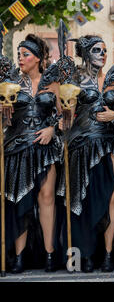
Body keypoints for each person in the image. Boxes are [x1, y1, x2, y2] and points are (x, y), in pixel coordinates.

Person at [57, 35, 114, 272]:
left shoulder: (113, 79)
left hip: (109, 143)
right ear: (86, 53)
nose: (103, 54)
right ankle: (84, 255)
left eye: (105, 50)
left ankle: (107, 255)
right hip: (81, 144)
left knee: (111, 196)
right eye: (98, 50)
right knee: (82, 198)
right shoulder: (73, 79)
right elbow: (65, 114)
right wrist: (63, 116)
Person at [3, 34, 62, 273]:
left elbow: (65, 116)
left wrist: (52, 128)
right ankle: (18, 256)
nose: (21, 59)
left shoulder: (53, 83)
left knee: (46, 198)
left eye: (25, 54)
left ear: (37, 58)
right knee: (21, 199)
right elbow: (6, 120)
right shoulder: (11, 84)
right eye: (19, 54)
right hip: (18, 147)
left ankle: (50, 253)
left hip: (46, 148)